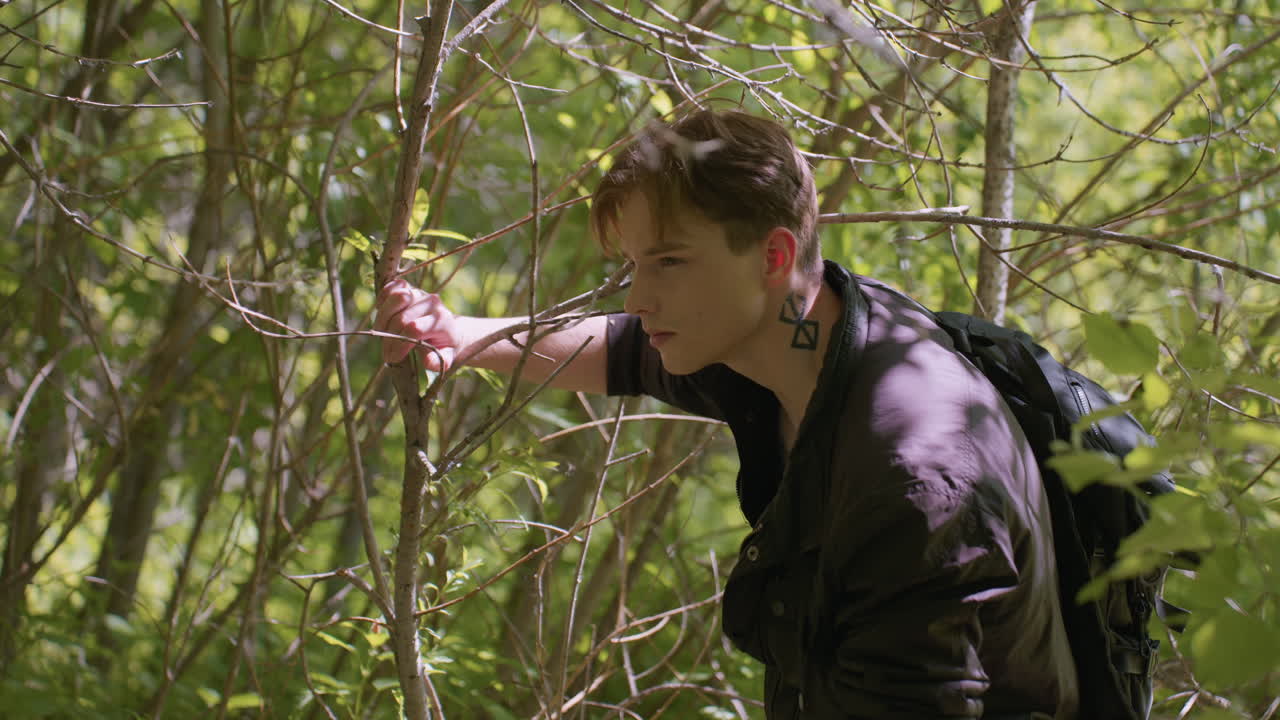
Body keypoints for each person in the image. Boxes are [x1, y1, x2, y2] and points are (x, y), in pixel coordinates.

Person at [375, 110, 1079, 719]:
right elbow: (625, 351)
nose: (636, 298)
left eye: (669, 263)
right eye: (633, 266)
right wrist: (464, 335)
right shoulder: (799, 330)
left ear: (773, 255)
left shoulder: (910, 486)